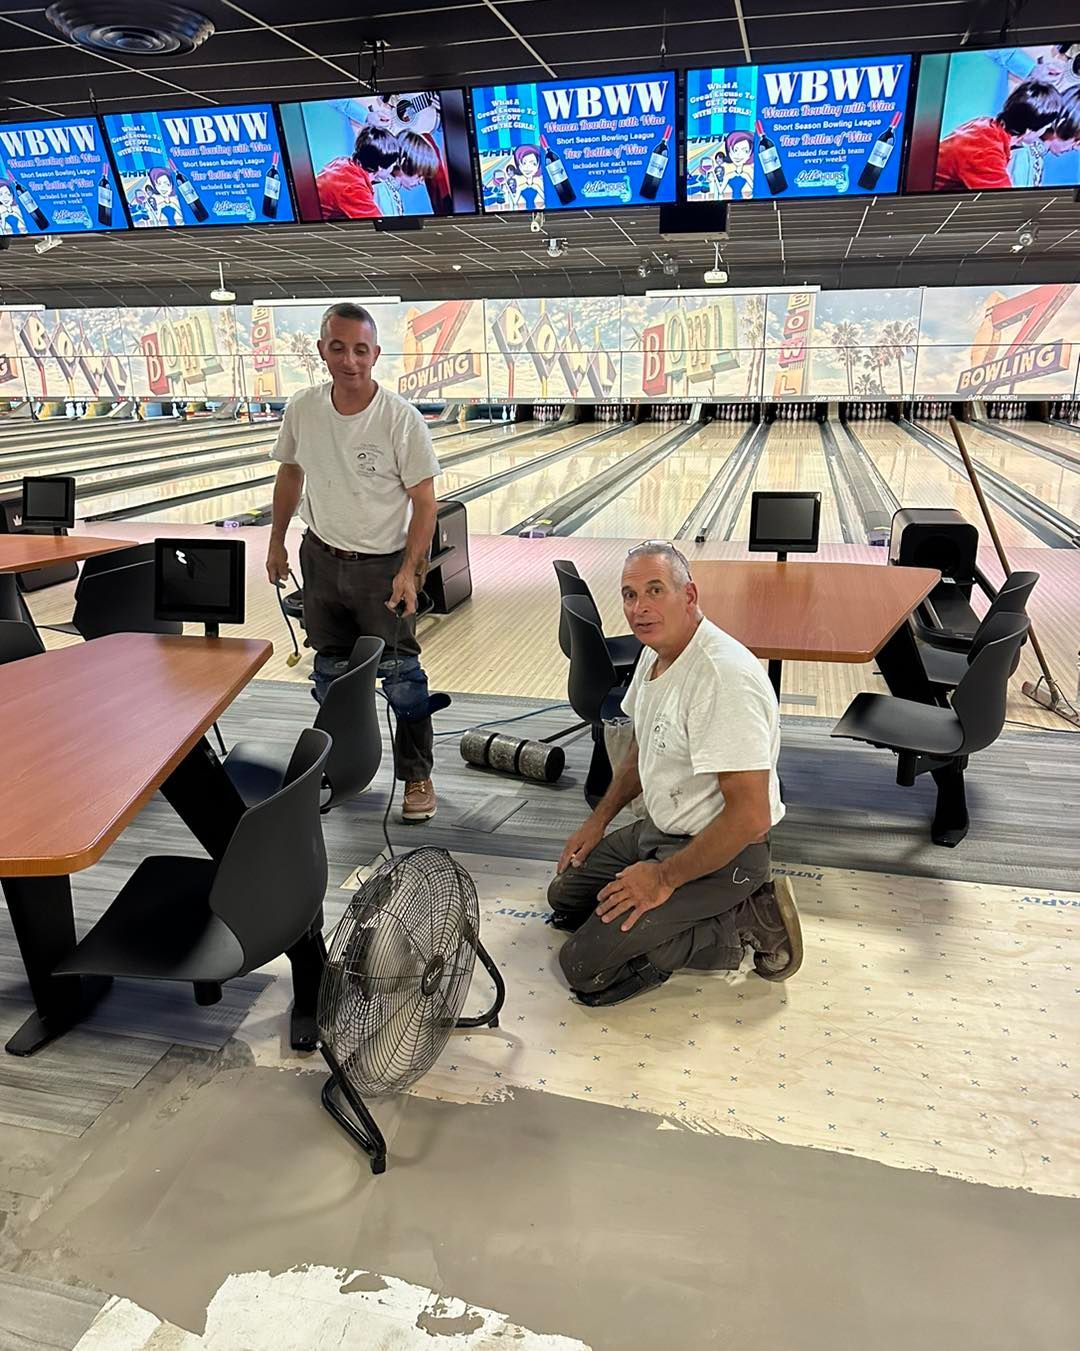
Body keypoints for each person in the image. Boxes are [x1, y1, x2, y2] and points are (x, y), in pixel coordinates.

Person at [548, 542, 802, 1006]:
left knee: (584, 967)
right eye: (629, 595)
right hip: (661, 828)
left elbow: (751, 817)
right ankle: (665, 899)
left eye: (654, 591)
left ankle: (742, 919)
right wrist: (598, 820)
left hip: (727, 853)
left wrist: (662, 879)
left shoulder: (722, 679)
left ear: (689, 595)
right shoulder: (657, 649)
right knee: (564, 899)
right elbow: (644, 748)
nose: (639, 608)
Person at [266, 303, 443, 822]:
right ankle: (339, 768)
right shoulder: (303, 408)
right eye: (338, 347)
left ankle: (416, 776)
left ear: (375, 354)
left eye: (360, 349)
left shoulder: (400, 419)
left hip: (382, 568)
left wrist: (410, 570)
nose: (349, 360)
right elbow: (289, 476)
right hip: (320, 559)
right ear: (322, 350)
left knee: (403, 676)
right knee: (329, 674)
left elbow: (425, 502)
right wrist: (276, 542)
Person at [934, 80, 1061, 191]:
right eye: (1046, 127)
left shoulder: (985, 125)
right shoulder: (985, 154)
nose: (1045, 132)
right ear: (1028, 130)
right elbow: (1005, 207)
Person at [315, 126, 400, 220]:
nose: (394, 167)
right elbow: (378, 227)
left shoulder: (342, 162)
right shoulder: (354, 189)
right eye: (393, 164)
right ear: (380, 167)